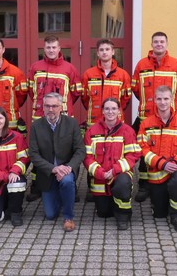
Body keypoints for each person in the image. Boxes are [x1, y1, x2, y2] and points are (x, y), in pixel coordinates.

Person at [132, 31, 177, 202]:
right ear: (152, 44)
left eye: (162, 41)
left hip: (169, 117)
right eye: (156, 42)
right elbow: (135, 89)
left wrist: (167, 104)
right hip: (146, 116)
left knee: (168, 147)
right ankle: (144, 183)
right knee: (143, 151)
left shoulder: (176, 64)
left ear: (166, 44)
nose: (159, 44)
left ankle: (170, 179)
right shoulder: (141, 64)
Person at [26, 35, 82, 202]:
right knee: (42, 152)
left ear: (59, 49)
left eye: (54, 47)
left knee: (66, 152)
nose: (51, 50)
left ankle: (71, 185)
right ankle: (38, 186)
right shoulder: (35, 67)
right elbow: (30, 91)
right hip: (40, 118)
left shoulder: (69, 68)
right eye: (48, 47)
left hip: (63, 118)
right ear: (44, 49)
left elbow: (76, 93)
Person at [81, 39, 132, 202]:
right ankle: (92, 187)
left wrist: (113, 113)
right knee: (94, 155)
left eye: (107, 49)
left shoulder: (123, 75)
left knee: (115, 153)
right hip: (94, 123)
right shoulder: (88, 74)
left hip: (116, 124)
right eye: (101, 49)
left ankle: (117, 182)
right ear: (97, 53)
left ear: (113, 52)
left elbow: (125, 99)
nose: (104, 52)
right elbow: (84, 98)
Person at [137, 85, 177, 233]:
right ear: (154, 100)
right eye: (159, 99)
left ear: (172, 100)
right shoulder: (146, 124)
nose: (163, 102)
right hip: (157, 175)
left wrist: (175, 164)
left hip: (175, 170)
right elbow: (142, 149)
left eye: (166, 99)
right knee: (159, 215)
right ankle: (163, 201)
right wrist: (162, 164)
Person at [28, 92, 86, 231]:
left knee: (66, 181)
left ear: (61, 107)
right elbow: (34, 154)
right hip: (47, 173)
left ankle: (68, 217)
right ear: (43, 107)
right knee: (50, 214)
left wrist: (69, 167)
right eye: (47, 106)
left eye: (54, 106)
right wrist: (53, 169)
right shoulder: (36, 126)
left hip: (66, 170)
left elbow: (80, 150)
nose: (51, 109)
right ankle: (62, 196)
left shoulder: (71, 123)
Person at [83, 98, 141, 230]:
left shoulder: (127, 130)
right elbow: (87, 157)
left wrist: (115, 170)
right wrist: (100, 173)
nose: (110, 112)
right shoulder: (91, 131)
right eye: (107, 109)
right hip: (100, 179)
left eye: (114, 108)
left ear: (119, 111)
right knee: (104, 213)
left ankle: (124, 214)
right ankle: (112, 205)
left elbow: (133, 155)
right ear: (102, 111)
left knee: (122, 184)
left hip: (119, 175)